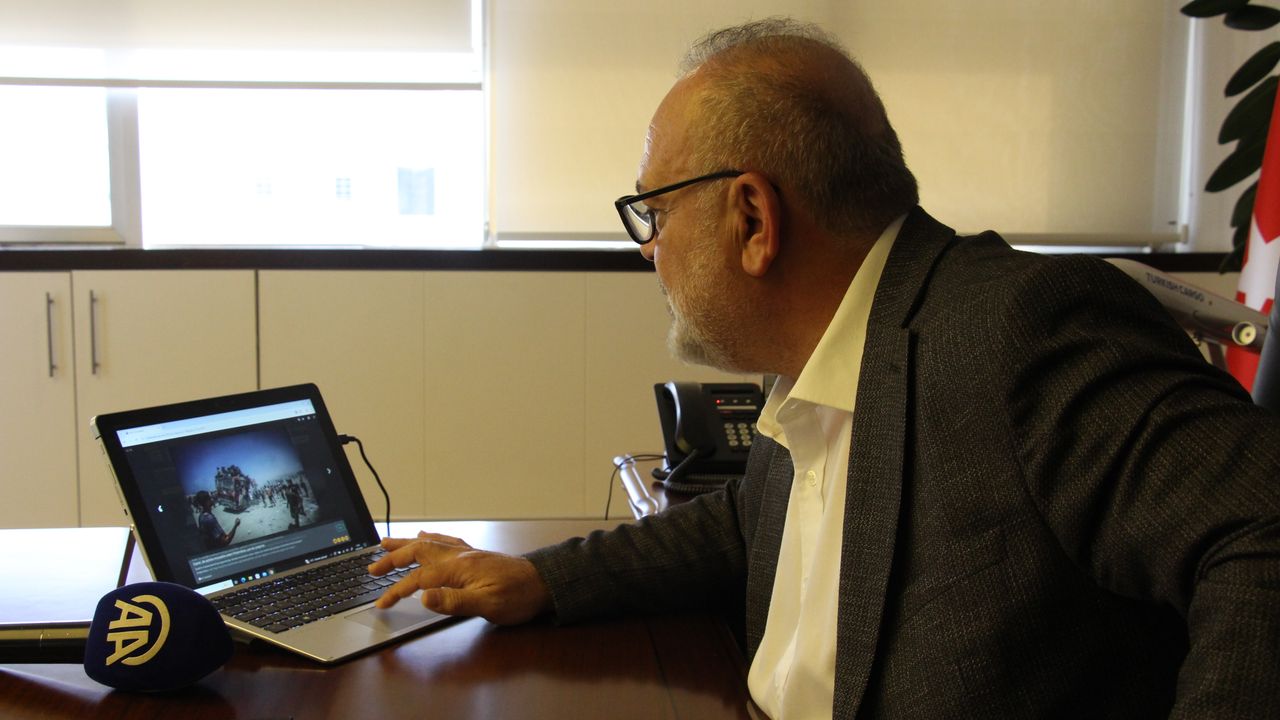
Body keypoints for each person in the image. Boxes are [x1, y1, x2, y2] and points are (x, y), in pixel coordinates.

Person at [366, 18, 1280, 718]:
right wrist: (542, 579)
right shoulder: (823, 353)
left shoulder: (1015, 330)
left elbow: (1262, 526)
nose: (648, 250)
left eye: (655, 214)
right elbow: (746, 524)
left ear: (753, 220)